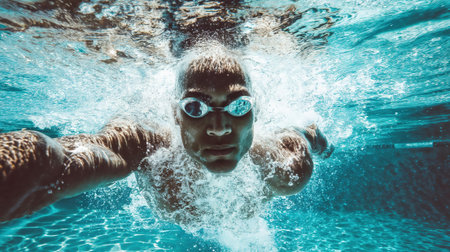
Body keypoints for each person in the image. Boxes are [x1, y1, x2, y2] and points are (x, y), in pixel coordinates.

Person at [0, 49, 333, 222]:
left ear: (256, 112)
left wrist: (313, 140)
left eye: (239, 105)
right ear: (175, 115)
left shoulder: (284, 168)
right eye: (195, 108)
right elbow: (64, 159)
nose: (218, 128)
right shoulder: (147, 143)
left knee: (303, 145)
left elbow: (296, 144)